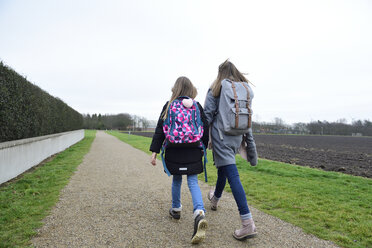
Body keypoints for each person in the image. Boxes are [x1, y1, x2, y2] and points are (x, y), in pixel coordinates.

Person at [150, 76, 209, 244]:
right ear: (190, 89)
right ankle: (199, 213)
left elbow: (160, 129)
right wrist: (203, 147)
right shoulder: (196, 106)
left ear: (175, 89)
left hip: (173, 149)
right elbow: (205, 127)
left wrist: (154, 151)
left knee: (177, 180)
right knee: (193, 181)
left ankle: (176, 209)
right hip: (193, 148)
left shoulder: (169, 106)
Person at [203, 60, 258, 240]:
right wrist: (250, 147)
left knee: (232, 174)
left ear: (220, 73)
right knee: (224, 169)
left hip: (221, 137)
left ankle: (247, 223)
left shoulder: (216, 88)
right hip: (237, 137)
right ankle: (215, 199)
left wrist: (202, 140)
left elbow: (207, 115)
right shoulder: (243, 89)